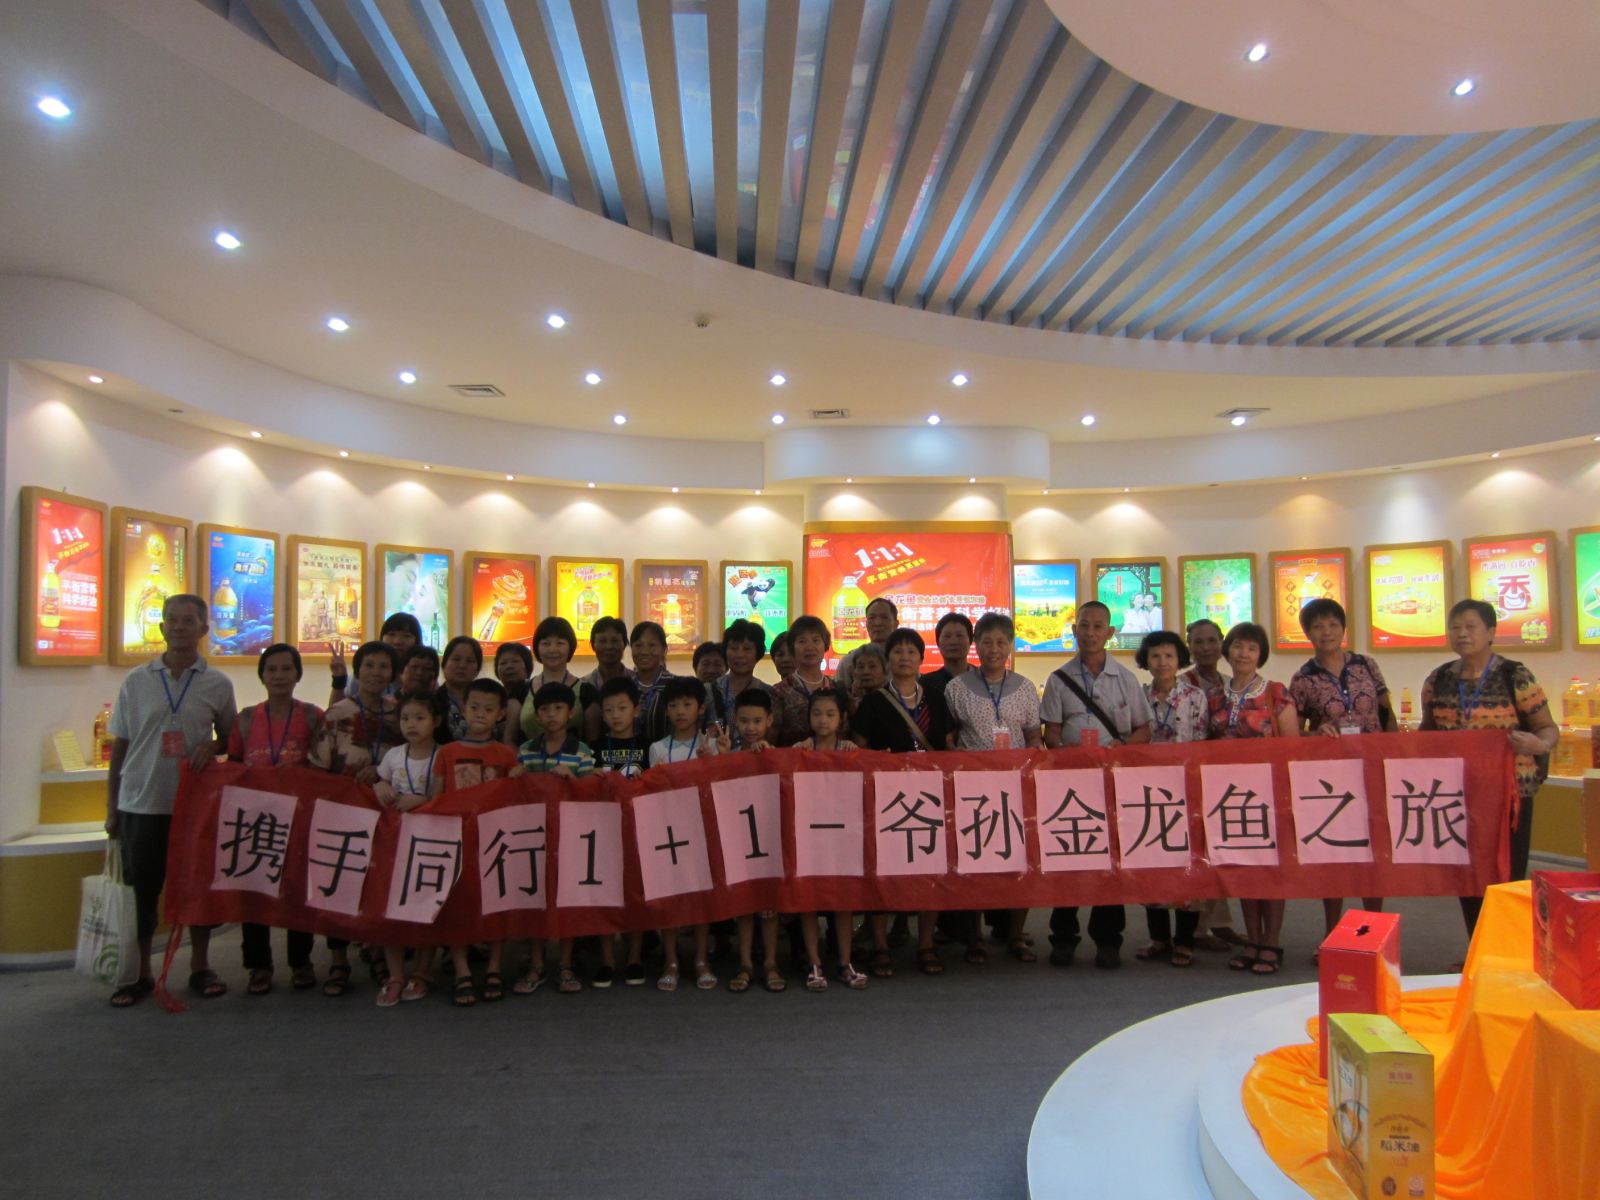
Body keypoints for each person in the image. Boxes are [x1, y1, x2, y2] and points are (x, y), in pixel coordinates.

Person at [105, 594, 237, 1007]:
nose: (179, 627)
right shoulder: (137, 680)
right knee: (141, 892)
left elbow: (232, 739)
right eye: (172, 620)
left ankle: (200, 966)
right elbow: (120, 748)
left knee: (198, 888)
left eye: (188, 620)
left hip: (194, 806)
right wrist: (111, 809)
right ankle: (140, 972)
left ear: (204, 629)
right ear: (162, 628)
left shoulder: (218, 683)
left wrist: (212, 745)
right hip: (141, 804)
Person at [1419, 599, 1557, 936]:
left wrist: (1538, 745)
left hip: (1509, 795)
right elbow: (1427, 734)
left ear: (1491, 632)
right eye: (1455, 627)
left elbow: (1547, 728)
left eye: (1471, 627)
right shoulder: (1438, 680)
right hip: (1457, 794)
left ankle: (1506, 949)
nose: (1462, 634)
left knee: (1506, 875)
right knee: (1467, 876)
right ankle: (1478, 947)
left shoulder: (1515, 676)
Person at [1040, 600, 1151, 969]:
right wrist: (1065, 751)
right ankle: (1063, 938)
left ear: (1110, 633)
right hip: (1071, 786)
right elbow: (1051, 733)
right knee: (1067, 856)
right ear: (1074, 631)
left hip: (1113, 784)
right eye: (1083, 626)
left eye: (1097, 626)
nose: (1089, 633)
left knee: (1109, 860)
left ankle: (1107, 940)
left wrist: (1123, 747)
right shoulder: (1058, 679)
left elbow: (1144, 729)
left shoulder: (1126, 679)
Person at [1288, 598, 1395, 944]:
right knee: (1333, 853)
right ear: (1307, 633)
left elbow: (1386, 713)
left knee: (1374, 852)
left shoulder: (1366, 665)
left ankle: (1373, 933)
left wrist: (1394, 755)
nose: (1327, 632)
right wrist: (1314, 734)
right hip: (1330, 779)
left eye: (1333, 624)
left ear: (1343, 629)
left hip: (1372, 771)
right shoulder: (1303, 678)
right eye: (1318, 626)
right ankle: (1332, 934)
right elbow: (1293, 732)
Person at [848, 627, 950, 977]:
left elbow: (947, 743)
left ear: (921, 658)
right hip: (885, 796)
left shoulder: (936, 697)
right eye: (897, 651)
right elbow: (858, 749)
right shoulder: (874, 701)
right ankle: (880, 945)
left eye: (911, 651)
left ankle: (926, 944)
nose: (904, 657)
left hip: (931, 794)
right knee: (882, 870)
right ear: (887, 659)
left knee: (930, 869)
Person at [941, 612, 1040, 966]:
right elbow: (948, 737)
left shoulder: (1025, 688)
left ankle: (1016, 934)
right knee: (972, 861)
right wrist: (955, 754)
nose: (994, 649)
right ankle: (975, 938)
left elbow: (1033, 735)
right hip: (972, 789)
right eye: (986, 642)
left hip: (1016, 788)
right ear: (976, 646)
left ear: (1011, 645)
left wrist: (1034, 756)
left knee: (1020, 861)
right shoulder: (956, 689)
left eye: (1001, 642)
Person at [227, 643, 326, 995]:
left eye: (287, 668)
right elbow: (233, 765)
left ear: (298, 675)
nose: (279, 675)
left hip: (299, 817)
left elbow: (323, 764)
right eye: (272, 669)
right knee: (254, 892)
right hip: (254, 818)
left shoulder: (313, 716)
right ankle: (258, 965)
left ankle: (301, 961)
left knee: (298, 890)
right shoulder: (245, 718)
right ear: (262, 676)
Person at [1210, 622, 1300, 976]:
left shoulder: (1276, 693)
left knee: (1271, 870)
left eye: (1251, 648)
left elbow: (1292, 748)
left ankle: (1272, 941)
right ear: (1227, 650)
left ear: (1260, 654)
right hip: (1230, 795)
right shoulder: (1215, 695)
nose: (1243, 653)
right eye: (1237, 646)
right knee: (1244, 869)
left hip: (1270, 794)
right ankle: (1253, 938)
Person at [432, 678, 521, 1006]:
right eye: (474, 707)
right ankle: (462, 971)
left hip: (495, 840)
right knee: (457, 904)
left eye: (488, 709)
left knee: (497, 901)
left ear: (501, 714)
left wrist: (520, 778)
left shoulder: (506, 755)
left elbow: (516, 801)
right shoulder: (447, 752)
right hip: (456, 839)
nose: (480, 713)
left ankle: (495, 967)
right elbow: (437, 799)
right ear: (463, 709)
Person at [514, 681, 596, 996]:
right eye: (544, 710)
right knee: (534, 898)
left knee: (567, 900)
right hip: (533, 837)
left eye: (558, 709)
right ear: (536, 715)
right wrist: (515, 778)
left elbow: (592, 794)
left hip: (569, 837)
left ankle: (565, 964)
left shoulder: (582, 751)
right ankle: (536, 965)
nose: (551, 715)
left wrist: (573, 779)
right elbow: (514, 795)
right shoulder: (525, 751)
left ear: (570, 713)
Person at [1132, 632, 1208, 967]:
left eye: (1169, 656)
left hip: (1185, 788)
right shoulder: (1139, 696)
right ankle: (1158, 937)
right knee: (1151, 861)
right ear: (1146, 661)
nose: (1162, 663)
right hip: (1147, 790)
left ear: (1180, 660)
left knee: (1186, 864)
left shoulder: (1195, 696)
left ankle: (1185, 940)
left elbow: (1202, 742)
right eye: (1155, 656)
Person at [371, 690, 444, 1007]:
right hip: (395, 841)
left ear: (436, 721)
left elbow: (449, 797)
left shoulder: (444, 755)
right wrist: (380, 785)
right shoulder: (392, 756)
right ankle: (396, 974)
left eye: (419, 718)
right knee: (392, 906)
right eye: (405, 718)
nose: (411, 724)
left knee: (429, 906)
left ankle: (422, 971)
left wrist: (424, 801)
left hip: (432, 840)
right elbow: (379, 782)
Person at [649, 677, 719, 991]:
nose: (680, 711)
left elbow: (720, 788)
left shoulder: (710, 745)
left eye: (687, 704)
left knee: (701, 897)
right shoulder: (657, 748)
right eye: (674, 705)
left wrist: (711, 762)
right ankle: (671, 960)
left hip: (701, 828)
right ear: (666, 710)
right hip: (668, 830)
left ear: (700, 709)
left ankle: (701, 959)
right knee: (670, 897)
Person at [796, 689, 866, 992]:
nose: (822, 720)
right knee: (809, 899)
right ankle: (814, 962)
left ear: (842, 718)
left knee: (843, 899)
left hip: (841, 834)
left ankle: (844, 961)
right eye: (816, 714)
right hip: (808, 833)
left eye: (829, 714)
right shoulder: (799, 750)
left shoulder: (849, 750)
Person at [724, 689, 786, 995]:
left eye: (757, 721)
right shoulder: (730, 753)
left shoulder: (776, 753)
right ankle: (746, 963)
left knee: (769, 905)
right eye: (745, 721)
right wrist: (722, 758)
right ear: (735, 721)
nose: (750, 727)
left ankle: (771, 962)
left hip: (768, 836)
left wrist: (768, 757)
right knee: (744, 903)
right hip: (738, 836)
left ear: (769, 721)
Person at [518, 617, 597, 744]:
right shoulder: (521, 690)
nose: (552, 649)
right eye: (546, 643)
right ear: (537, 647)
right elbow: (510, 739)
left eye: (560, 643)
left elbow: (592, 741)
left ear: (570, 647)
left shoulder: (587, 692)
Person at [769, 615, 838, 747]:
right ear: (792, 648)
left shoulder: (836, 688)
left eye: (816, 640)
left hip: (831, 759)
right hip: (791, 758)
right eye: (802, 641)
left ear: (825, 645)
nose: (809, 647)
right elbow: (771, 739)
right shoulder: (779, 692)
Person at [326, 612, 422, 704]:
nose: (397, 641)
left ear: (417, 640)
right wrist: (339, 680)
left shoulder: (422, 673)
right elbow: (336, 711)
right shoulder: (364, 673)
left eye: (406, 636)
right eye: (391, 634)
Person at [707, 619, 772, 733]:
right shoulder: (709, 691)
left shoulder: (769, 693)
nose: (739, 655)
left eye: (747, 649)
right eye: (734, 648)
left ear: (758, 653)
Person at [580, 616, 632, 743]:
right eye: (602, 641)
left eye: (615, 641)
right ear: (592, 645)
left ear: (624, 644)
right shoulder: (583, 686)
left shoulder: (636, 682)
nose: (609, 646)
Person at [835, 596, 899, 691]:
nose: (877, 623)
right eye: (872, 618)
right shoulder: (849, 661)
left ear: (896, 624)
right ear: (866, 624)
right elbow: (838, 696)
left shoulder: (903, 661)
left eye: (884, 617)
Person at [591, 677, 651, 779]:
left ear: (636, 710)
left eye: (622, 708)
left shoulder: (649, 747)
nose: (615, 715)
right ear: (603, 715)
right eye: (608, 710)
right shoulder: (594, 748)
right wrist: (590, 773)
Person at [630, 621, 676, 745]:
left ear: (664, 649)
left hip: (667, 754)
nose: (644, 651)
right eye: (638, 645)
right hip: (631, 755)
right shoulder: (625, 686)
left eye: (652, 645)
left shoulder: (675, 686)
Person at [921, 611, 974, 709]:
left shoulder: (985, 680)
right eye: (947, 636)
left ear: (970, 641)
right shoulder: (925, 684)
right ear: (938, 642)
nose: (953, 642)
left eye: (959, 635)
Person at [437, 635, 485, 743]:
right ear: (444, 664)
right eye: (456, 659)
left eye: (470, 661)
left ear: (477, 669)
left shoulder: (487, 700)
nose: (462, 665)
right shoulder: (432, 701)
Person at [493, 641, 533, 746]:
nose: (509, 666)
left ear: (527, 667)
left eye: (515, 661)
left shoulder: (535, 693)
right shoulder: (492, 697)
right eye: (503, 663)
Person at [846, 642, 888, 708]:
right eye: (860, 667)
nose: (866, 672)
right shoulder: (848, 705)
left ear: (885, 669)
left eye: (872, 666)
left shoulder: (893, 702)